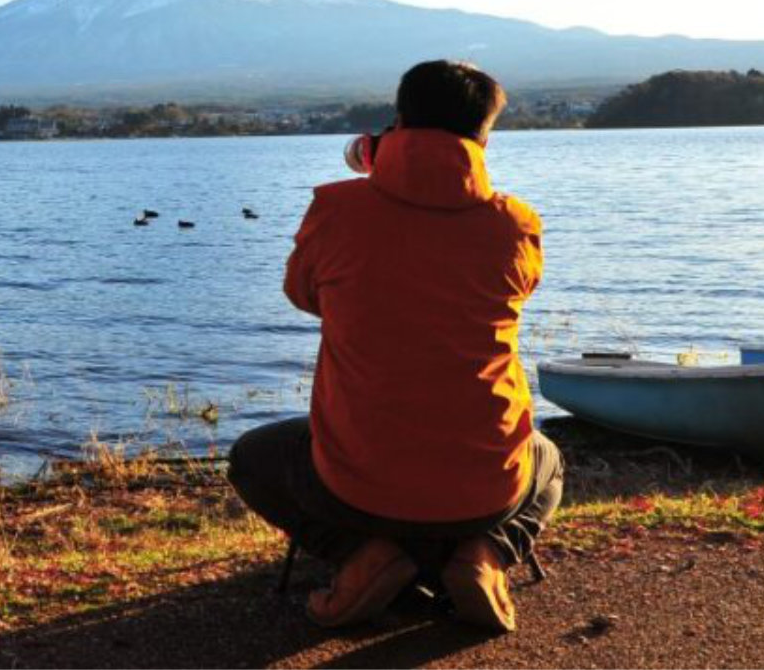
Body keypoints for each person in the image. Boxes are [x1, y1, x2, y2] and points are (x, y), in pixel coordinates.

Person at [227, 60, 561, 632]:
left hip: (356, 480)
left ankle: (364, 558)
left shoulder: (336, 210)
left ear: (400, 119)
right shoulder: (515, 224)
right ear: (484, 134)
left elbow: (303, 294)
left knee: (252, 457)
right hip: (485, 484)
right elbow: (517, 293)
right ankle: (485, 554)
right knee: (548, 459)